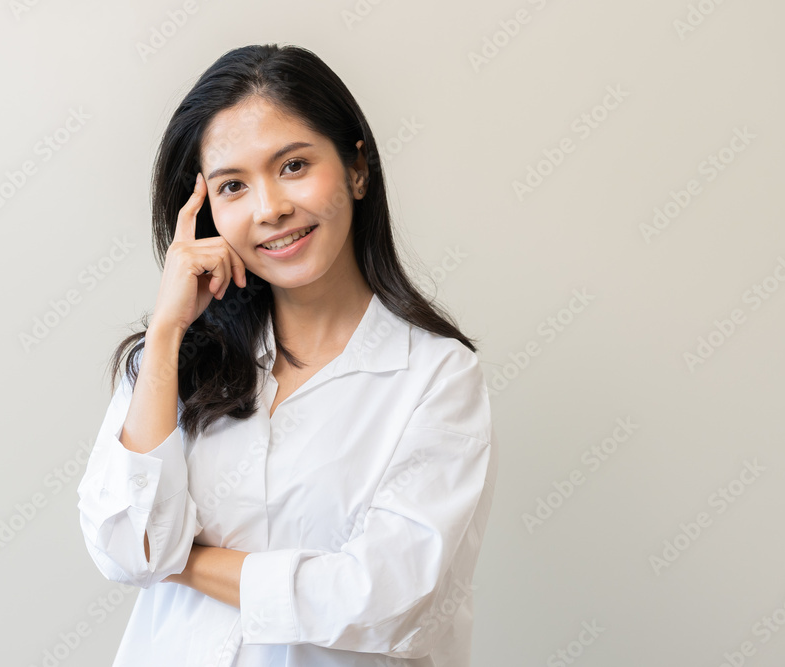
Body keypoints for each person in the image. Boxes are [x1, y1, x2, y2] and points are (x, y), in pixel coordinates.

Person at [76, 43, 498, 667]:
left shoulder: (435, 376)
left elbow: (385, 601)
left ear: (357, 169)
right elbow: (123, 547)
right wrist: (165, 333)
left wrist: (179, 559)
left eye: (294, 165)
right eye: (233, 185)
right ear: (209, 212)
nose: (270, 208)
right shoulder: (173, 363)